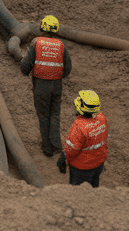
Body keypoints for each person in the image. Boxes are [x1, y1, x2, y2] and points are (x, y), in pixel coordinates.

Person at [19, 15, 72, 157]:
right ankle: (56, 145)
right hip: (57, 85)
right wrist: (57, 76)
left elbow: (25, 65)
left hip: (41, 84)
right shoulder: (62, 44)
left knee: (43, 115)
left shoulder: (36, 42)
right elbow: (67, 68)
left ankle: (47, 148)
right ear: (56, 29)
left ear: (42, 27)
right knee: (54, 113)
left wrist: (26, 70)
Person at [58, 90, 108, 188]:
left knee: (78, 193)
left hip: (81, 168)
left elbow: (72, 149)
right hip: (98, 164)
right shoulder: (102, 118)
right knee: (94, 188)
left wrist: (64, 158)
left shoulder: (79, 127)